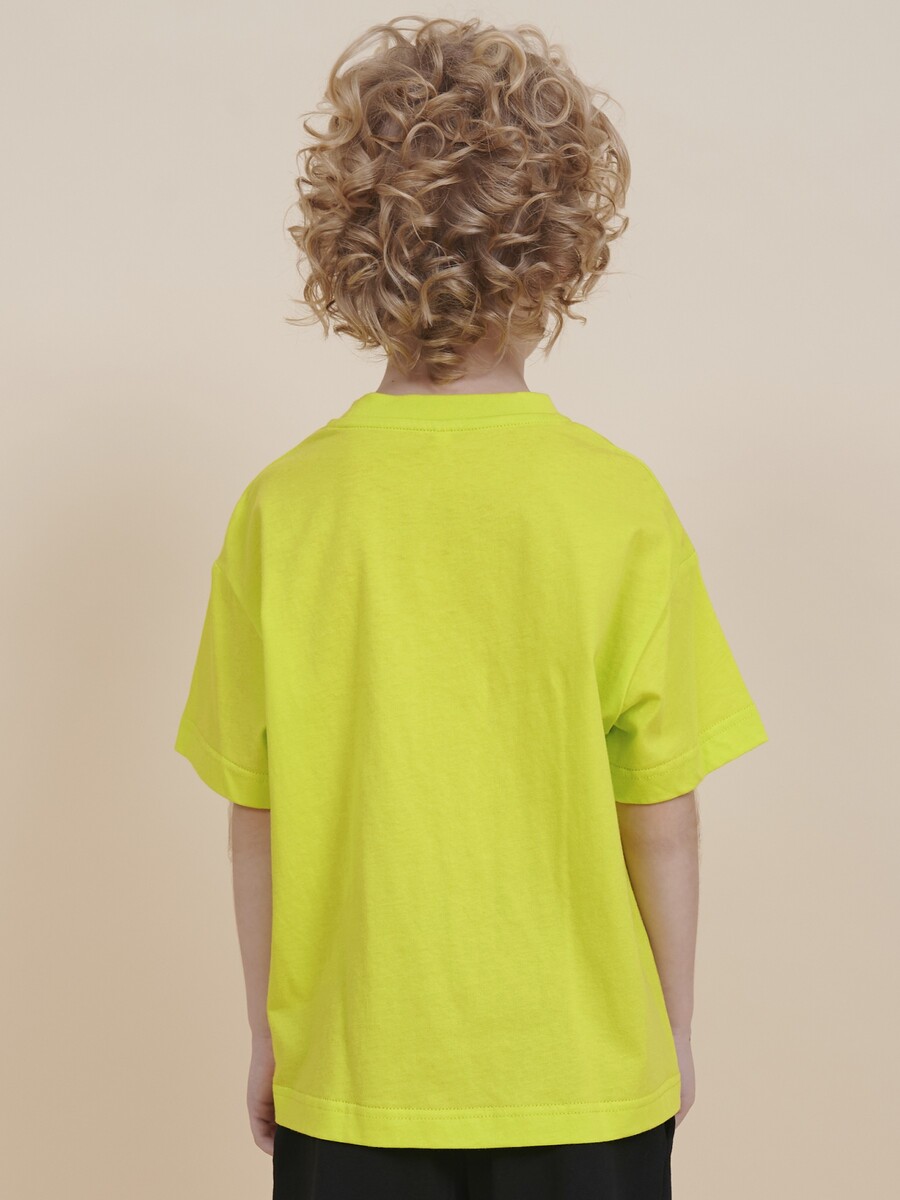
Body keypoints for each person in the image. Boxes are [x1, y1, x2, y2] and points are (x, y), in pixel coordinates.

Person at [174, 15, 768, 1199]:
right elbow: (660, 810)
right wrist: (671, 1025)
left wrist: (272, 1035)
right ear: (561, 251)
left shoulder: (284, 511)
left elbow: (259, 811)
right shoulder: (618, 504)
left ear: (346, 246)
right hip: (584, 1078)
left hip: (356, 1075)